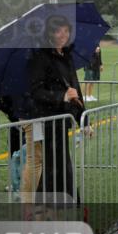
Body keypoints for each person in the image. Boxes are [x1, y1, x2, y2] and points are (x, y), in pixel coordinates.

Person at [26, 15, 83, 202]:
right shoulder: (40, 56)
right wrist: (61, 96)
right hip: (46, 119)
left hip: (63, 119)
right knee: (53, 165)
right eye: (58, 31)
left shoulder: (66, 56)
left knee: (62, 163)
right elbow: (35, 91)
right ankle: (49, 204)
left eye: (66, 31)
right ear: (50, 33)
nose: (63, 35)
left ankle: (64, 201)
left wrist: (85, 119)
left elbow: (75, 87)